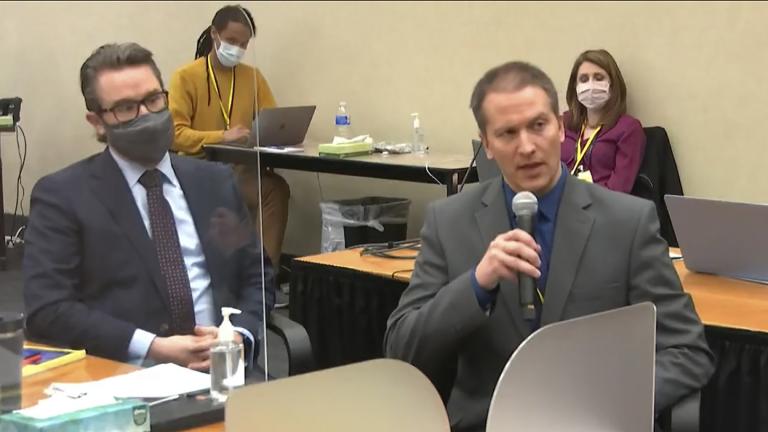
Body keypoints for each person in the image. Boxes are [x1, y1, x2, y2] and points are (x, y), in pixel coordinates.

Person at [384, 61, 714, 432]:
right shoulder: (449, 222)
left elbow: (688, 352)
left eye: (538, 126)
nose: (527, 146)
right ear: (487, 144)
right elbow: (403, 351)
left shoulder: (627, 222)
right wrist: (476, 284)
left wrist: (610, 405)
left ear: (560, 127)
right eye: (508, 133)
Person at [23, 42, 275, 372]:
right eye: (127, 108)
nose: (147, 115)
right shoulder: (63, 196)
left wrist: (238, 335)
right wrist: (153, 347)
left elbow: (257, 274)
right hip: (126, 380)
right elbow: (48, 308)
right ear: (97, 121)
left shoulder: (214, 182)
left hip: (224, 371)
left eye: (154, 100)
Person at [168, 4, 290, 269]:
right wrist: (223, 136)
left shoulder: (252, 77)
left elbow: (272, 120)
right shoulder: (185, 77)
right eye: (232, 41)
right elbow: (175, 135)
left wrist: (276, 135)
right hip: (197, 168)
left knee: (275, 189)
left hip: (238, 168)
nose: (237, 49)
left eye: (244, 44)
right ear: (215, 34)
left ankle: (264, 275)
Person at [561, 49, 646, 193]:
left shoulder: (628, 129)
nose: (591, 85)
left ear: (613, 84)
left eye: (599, 77)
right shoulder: (565, 122)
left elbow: (619, 190)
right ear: (575, 87)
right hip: (560, 205)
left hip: (599, 209)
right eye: (583, 79)